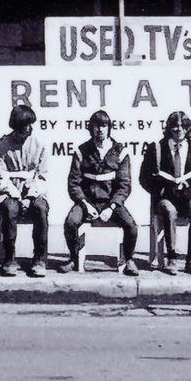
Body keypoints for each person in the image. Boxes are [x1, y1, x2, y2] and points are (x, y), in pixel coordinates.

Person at [59, 108, 138, 275]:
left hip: (111, 203)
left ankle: (129, 259)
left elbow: (124, 185)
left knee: (131, 226)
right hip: (87, 202)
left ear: (109, 128)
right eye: (96, 126)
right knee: (70, 223)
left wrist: (111, 208)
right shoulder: (81, 151)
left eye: (104, 126)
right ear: (91, 128)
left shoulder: (120, 152)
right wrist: (86, 205)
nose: (100, 129)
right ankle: (74, 259)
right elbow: (73, 183)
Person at [139, 109, 191, 274]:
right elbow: (143, 178)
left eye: (183, 126)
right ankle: (171, 258)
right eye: (175, 126)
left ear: (188, 129)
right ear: (169, 128)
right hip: (164, 199)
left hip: (187, 198)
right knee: (169, 210)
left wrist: (190, 192)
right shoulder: (155, 148)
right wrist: (161, 190)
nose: (179, 129)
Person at [0, 102, 49, 278]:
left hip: (33, 191)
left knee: (41, 209)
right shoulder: (0, 145)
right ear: (15, 126)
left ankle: (39, 259)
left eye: (31, 125)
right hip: (8, 192)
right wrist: (15, 194)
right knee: (10, 209)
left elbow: (42, 175)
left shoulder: (40, 144)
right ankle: (9, 258)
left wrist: (30, 196)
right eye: (24, 126)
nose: (29, 129)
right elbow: (0, 176)